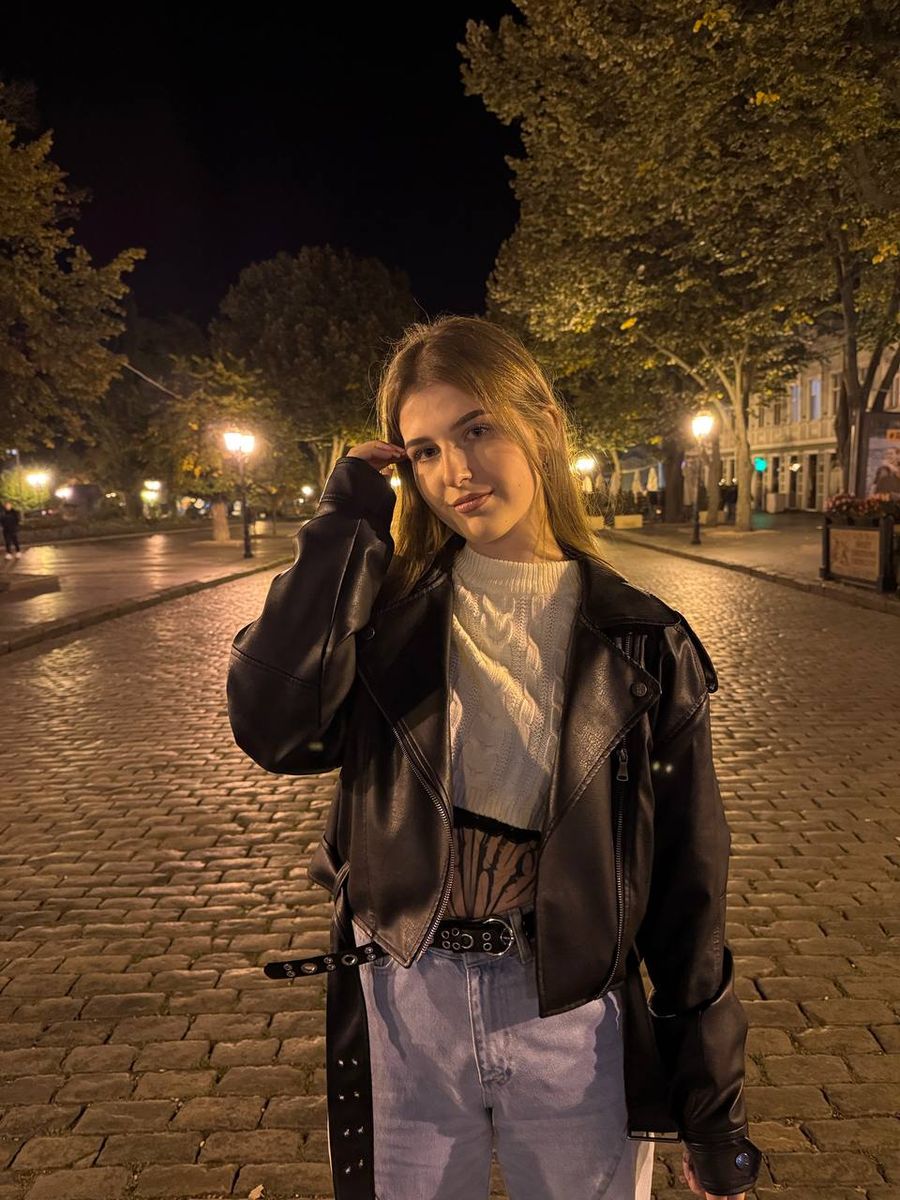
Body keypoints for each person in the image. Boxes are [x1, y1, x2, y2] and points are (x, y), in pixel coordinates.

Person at [227, 315, 762, 1200]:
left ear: (542, 421)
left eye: (477, 429)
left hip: (573, 1021)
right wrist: (344, 524)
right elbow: (273, 726)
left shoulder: (644, 640)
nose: (457, 471)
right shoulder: (382, 618)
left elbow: (688, 885)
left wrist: (712, 1108)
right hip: (404, 1005)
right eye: (425, 450)